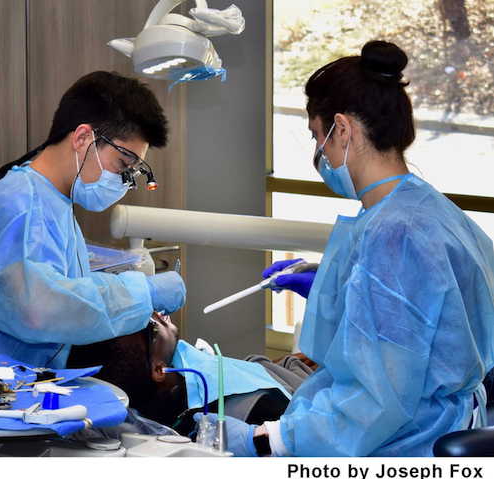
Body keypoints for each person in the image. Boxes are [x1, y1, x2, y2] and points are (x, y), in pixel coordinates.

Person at [197, 40, 494, 457]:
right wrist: (335, 281)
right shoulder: (426, 206)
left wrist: (266, 441)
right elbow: (433, 312)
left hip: (405, 445)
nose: (318, 152)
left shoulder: (396, 234)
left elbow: (376, 402)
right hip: (438, 419)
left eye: (317, 136)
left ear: (342, 129)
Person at [0, 71, 186, 368]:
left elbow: (61, 286)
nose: (125, 181)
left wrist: (129, 288)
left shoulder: (53, 201)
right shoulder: (19, 204)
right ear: (82, 138)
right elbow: (37, 309)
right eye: (123, 165)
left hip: (18, 386)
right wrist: (143, 292)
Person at [67, 312, 315, 433]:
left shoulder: (175, 388)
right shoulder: (255, 408)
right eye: (152, 325)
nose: (156, 312)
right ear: (159, 369)